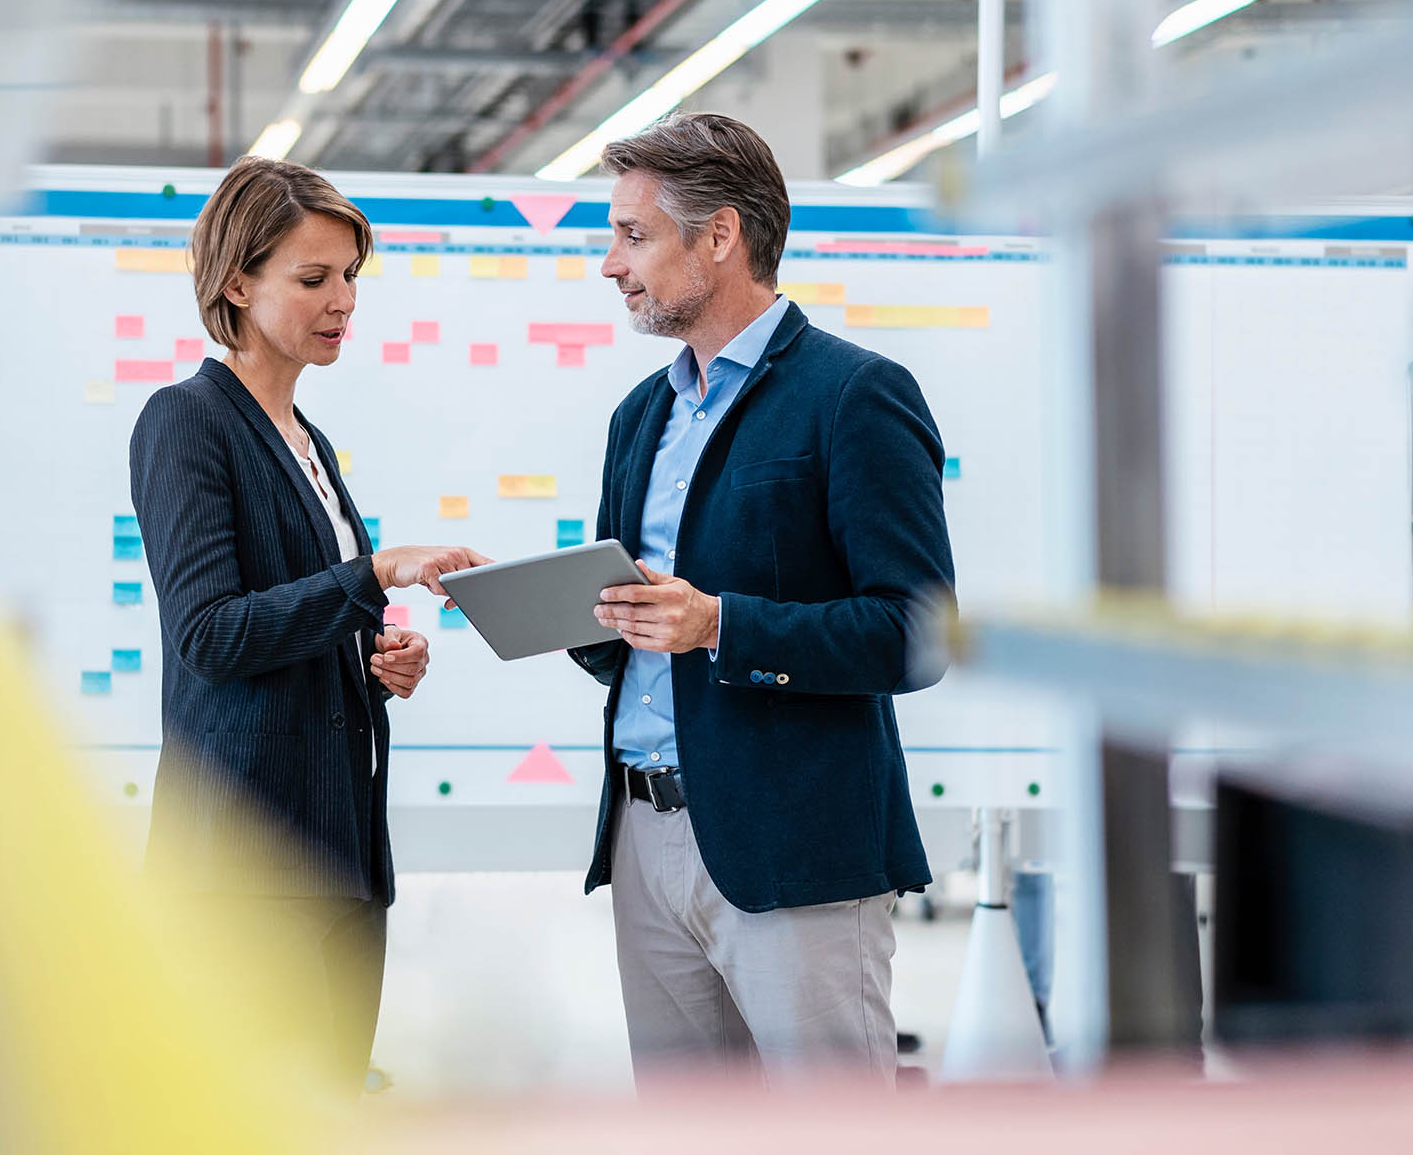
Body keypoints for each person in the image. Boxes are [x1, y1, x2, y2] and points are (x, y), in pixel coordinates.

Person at [568, 113, 956, 1090]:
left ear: (718, 235)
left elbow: (913, 634)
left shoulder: (852, 395)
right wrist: (576, 616)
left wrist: (722, 625)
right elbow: (634, 621)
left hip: (792, 848)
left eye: (631, 234)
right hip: (644, 834)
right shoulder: (637, 415)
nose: (609, 263)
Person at [129, 156, 489, 1092]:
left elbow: (293, 623)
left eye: (351, 280)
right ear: (237, 282)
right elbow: (209, 634)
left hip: (340, 851)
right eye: (314, 279)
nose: (343, 303)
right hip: (248, 864)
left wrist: (374, 662)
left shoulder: (309, 440)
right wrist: (371, 572)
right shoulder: (186, 421)